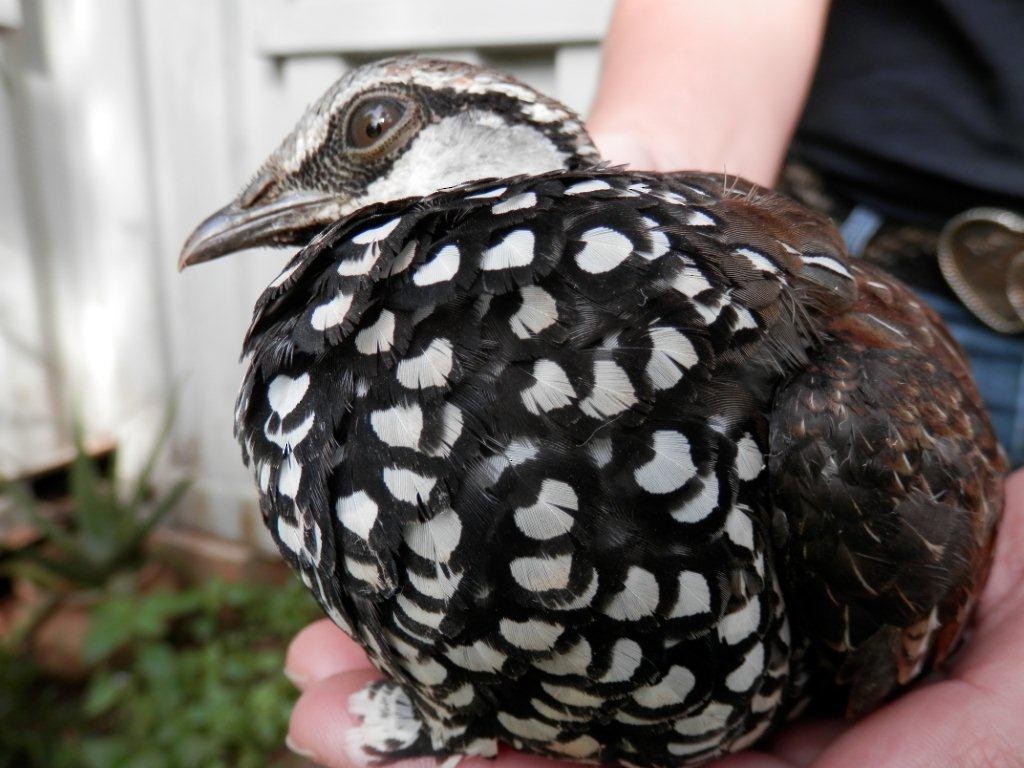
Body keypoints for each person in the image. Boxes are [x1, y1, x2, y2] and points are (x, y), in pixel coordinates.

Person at [284, 2, 1024, 764]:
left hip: (876, 374)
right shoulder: (373, 335)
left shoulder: (846, 392)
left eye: (372, 132)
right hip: (886, 232)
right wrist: (627, 228)